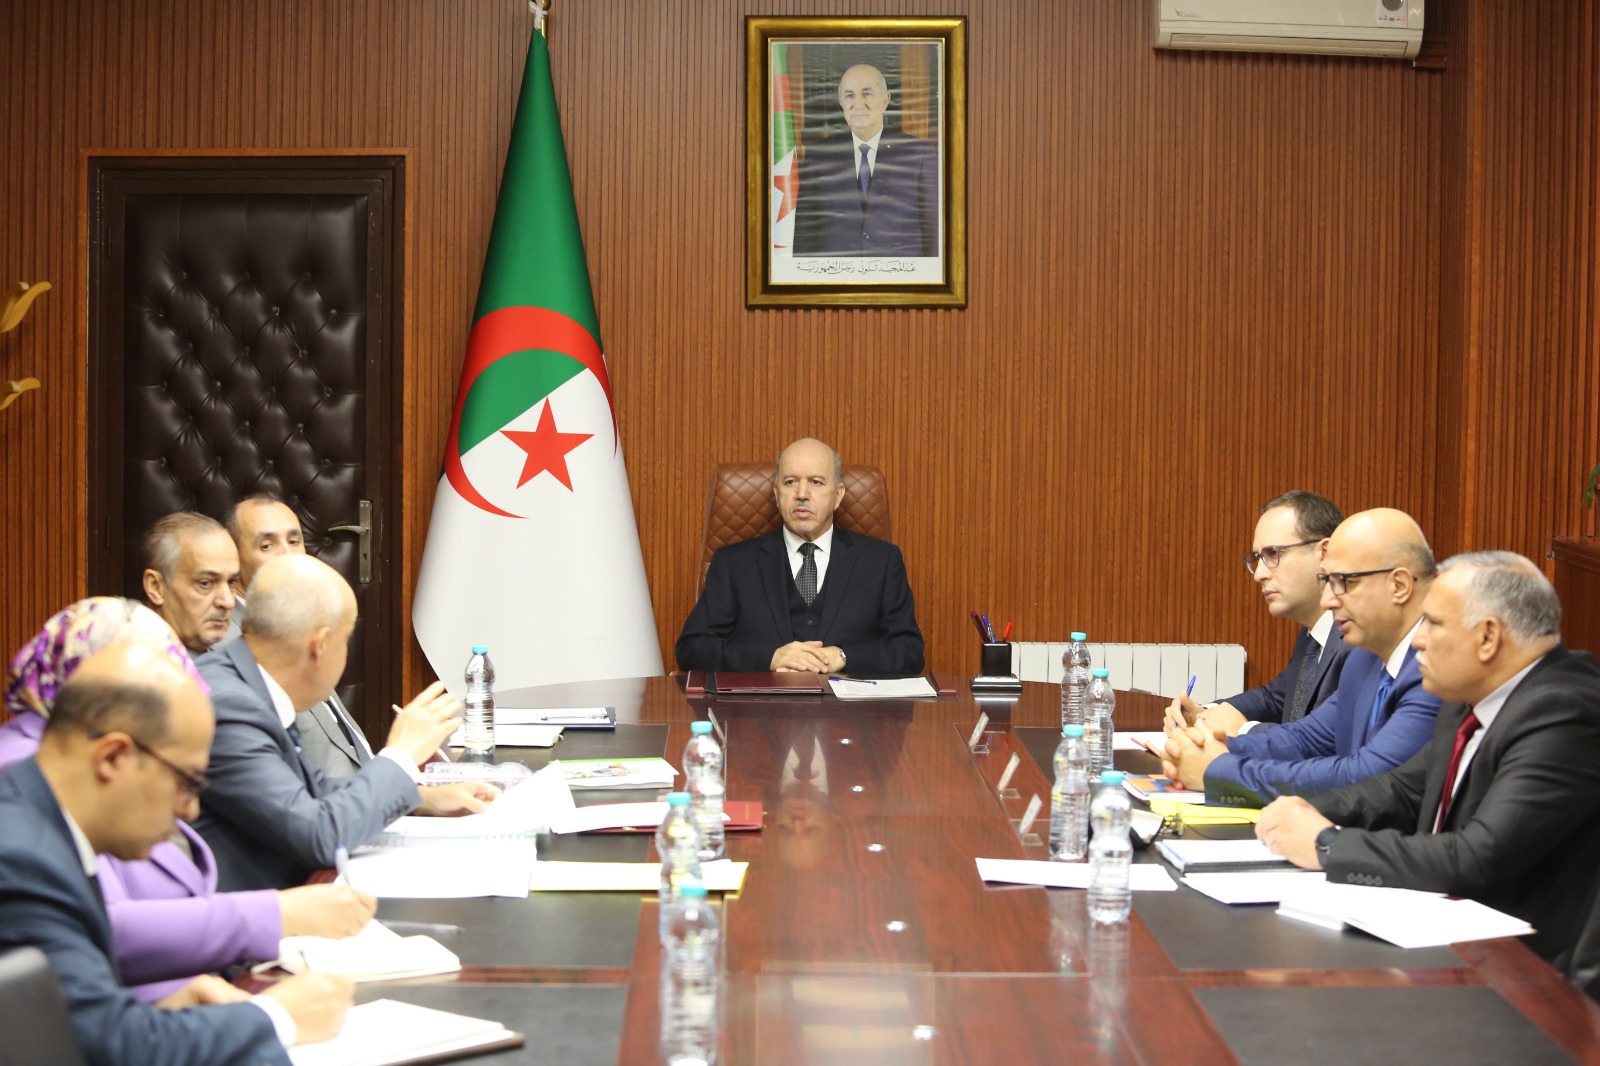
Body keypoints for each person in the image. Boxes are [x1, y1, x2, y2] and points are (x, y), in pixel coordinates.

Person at [0, 598, 372, 1001]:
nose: (190, 807)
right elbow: (101, 927)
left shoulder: (105, 757)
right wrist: (280, 915)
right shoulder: (36, 776)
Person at [1256, 552, 1600, 975]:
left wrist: (1326, 844)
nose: (1418, 640)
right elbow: (1403, 788)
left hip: (1524, 972)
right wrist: (1302, 811)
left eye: (1433, 623)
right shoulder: (1471, 694)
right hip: (1443, 935)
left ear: (1487, 637)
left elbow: (1477, 856)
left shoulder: (1565, 710)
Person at [194, 554, 496, 891]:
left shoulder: (248, 681)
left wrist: (422, 799)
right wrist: (401, 755)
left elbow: (313, 793)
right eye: (346, 640)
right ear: (320, 646)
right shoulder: (227, 706)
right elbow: (319, 835)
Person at [1162, 508, 1443, 807]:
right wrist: (1208, 747)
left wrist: (1219, 769)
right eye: (1328, 582)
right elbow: (1307, 739)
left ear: (1399, 586)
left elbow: (1366, 776)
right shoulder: (1364, 658)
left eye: (1343, 582)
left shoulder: (1437, 669)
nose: (1328, 600)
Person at [675, 438, 924, 676]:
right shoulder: (733, 564)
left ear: (838, 495)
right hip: (761, 704)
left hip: (848, 704)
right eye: (790, 482)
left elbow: (910, 651)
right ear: (776, 494)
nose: (802, 494)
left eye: (816, 482)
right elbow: (692, 649)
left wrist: (843, 656)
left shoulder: (881, 562)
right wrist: (769, 658)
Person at [1168, 491, 1352, 735]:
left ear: (1324, 554)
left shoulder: (1358, 638)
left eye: (1273, 554)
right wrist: (1204, 714)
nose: (1259, 575)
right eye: (1257, 558)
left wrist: (1242, 729)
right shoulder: (1313, 634)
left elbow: (1326, 740)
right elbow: (1275, 699)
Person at [225, 494, 372, 778]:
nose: (288, 556)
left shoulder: (294, 619)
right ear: (234, 558)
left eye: (294, 541)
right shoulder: (229, 647)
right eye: (267, 545)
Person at [791, 63, 939, 258]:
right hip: (836, 274)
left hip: (899, 274)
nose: (858, 104)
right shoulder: (820, 155)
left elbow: (935, 232)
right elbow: (804, 233)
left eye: (866, 93)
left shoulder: (918, 154)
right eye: (849, 95)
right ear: (841, 102)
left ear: (885, 100)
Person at [141, 512, 240, 656]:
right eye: (205, 583)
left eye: (232, 582)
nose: (228, 602)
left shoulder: (232, 656)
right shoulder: (127, 662)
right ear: (155, 587)